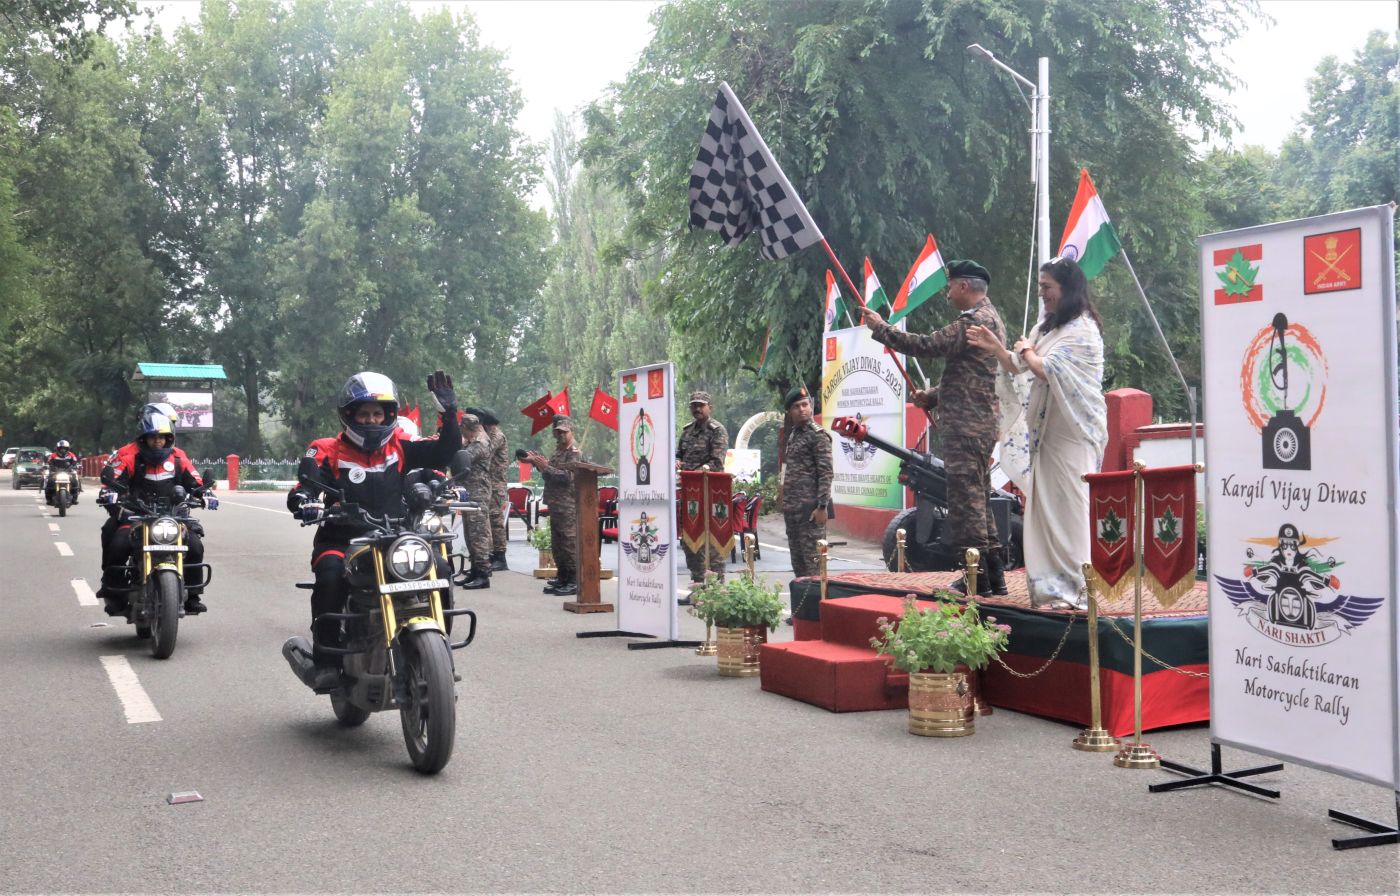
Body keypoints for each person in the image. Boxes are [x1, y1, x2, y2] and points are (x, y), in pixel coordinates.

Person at [286, 370, 461, 681]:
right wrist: (304, 500)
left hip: (395, 536)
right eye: (364, 414)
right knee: (330, 577)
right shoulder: (327, 448)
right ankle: (327, 662)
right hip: (341, 539)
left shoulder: (401, 444)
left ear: (389, 415)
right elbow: (306, 485)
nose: (371, 420)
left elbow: (443, 453)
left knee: (440, 569)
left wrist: (449, 414)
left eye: (378, 414)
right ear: (349, 415)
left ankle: (438, 649)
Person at [966, 256, 1107, 609]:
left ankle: (1077, 590)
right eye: (1040, 286)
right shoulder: (1046, 328)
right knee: (1044, 511)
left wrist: (1027, 351)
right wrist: (996, 347)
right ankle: (1050, 589)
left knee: (1070, 511)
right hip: (1045, 435)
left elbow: (1045, 368)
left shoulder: (1083, 330)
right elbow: (1017, 365)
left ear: (1067, 288)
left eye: (1047, 287)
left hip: (1073, 433)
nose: (1042, 293)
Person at [861, 259, 1008, 596]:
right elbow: (973, 377)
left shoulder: (972, 322)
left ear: (963, 286)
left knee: (966, 504)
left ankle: (975, 579)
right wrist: (933, 396)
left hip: (965, 427)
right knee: (979, 501)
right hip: (980, 425)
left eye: (950, 287)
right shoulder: (992, 318)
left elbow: (926, 345)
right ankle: (994, 575)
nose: (947, 294)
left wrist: (881, 328)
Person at [97, 409, 208, 615]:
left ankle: (193, 595)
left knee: (194, 546)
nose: (157, 442)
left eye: (162, 437)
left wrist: (206, 494)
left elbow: (196, 483)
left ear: (169, 439)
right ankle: (114, 592)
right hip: (136, 517)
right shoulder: (130, 458)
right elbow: (112, 482)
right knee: (117, 544)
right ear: (143, 439)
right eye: (152, 437)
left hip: (173, 516)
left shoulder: (178, 459)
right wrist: (109, 494)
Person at [523, 415, 581, 596]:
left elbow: (567, 478)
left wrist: (546, 466)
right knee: (557, 544)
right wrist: (539, 465)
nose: (561, 435)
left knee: (568, 543)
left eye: (564, 432)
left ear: (571, 431)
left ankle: (574, 580)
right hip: (556, 503)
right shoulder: (558, 451)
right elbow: (549, 475)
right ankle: (562, 576)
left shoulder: (574, 452)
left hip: (567, 504)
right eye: (558, 432)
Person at [676, 390, 729, 584]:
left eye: (701, 405)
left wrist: (693, 474)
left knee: (712, 542)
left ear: (709, 407)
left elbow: (716, 463)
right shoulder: (687, 431)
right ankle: (698, 584)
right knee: (689, 540)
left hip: (710, 495)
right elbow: (679, 454)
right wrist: (676, 461)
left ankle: (716, 588)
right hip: (690, 495)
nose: (697, 408)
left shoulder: (717, 430)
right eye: (694, 405)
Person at [779, 387, 832, 579]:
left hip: (810, 510)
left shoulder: (818, 435)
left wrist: (822, 506)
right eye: (796, 406)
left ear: (810, 406)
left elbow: (826, 473)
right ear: (789, 411)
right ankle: (802, 599)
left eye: (804, 405)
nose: (801, 409)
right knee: (798, 564)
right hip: (793, 509)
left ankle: (817, 599)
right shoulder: (795, 434)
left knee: (814, 565)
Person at [451, 413, 494, 590]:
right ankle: (475, 571)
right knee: (470, 534)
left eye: (462, 429)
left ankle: (483, 574)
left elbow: (460, 460)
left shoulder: (480, 443)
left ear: (467, 428)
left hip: (478, 494)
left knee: (478, 535)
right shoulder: (472, 441)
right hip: (470, 493)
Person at [467, 407, 510, 571]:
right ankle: (490, 554)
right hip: (489, 483)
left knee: (495, 520)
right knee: (487, 522)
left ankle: (500, 556)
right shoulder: (488, 435)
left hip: (496, 484)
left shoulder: (496, 436)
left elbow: (485, 451)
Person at [45, 439, 82, 505]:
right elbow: (49, 462)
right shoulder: (53, 455)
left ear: (67, 449)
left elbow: (75, 462)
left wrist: (73, 467)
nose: (63, 450)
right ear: (58, 448)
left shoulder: (71, 455)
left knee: (75, 481)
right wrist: (52, 467)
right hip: (56, 472)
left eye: (64, 448)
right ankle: (49, 499)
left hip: (68, 472)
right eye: (61, 448)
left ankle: (74, 499)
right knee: (49, 482)